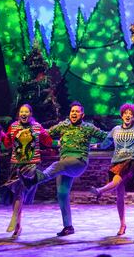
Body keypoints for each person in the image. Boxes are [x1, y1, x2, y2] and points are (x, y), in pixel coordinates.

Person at [20, 101, 110, 236]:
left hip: (78, 162)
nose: (74, 113)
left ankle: (34, 180)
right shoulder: (64, 125)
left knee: (57, 165)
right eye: (72, 111)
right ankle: (68, 226)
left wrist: (99, 145)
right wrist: (32, 130)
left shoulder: (88, 127)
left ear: (82, 114)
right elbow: (46, 135)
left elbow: (107, 136)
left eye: (77, 111)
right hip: (64, 163)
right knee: (62, 194)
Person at [91, 104, 134, 236]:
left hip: (131, 162)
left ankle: (100, 190)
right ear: (122, 115)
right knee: (120, 196)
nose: (128, 115)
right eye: (125, 113)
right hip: (116, 162)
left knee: (117, 179)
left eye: (131, 114)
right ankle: (122, 224)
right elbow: (105, 144)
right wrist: (90, 146)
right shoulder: (115, 130)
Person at [2, 104, 54, 238]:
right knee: (16, 194)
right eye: (21, 112)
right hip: (16, 164)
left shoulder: (37, 126)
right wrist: (5, 136)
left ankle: (14, 219)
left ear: (31, 114)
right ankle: (18, 225)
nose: (23, 114)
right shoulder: (13, 126)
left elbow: (48, 141)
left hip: (31, 164)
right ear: (18, 114)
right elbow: (7, 144)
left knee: (20, 191)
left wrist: (46, 134)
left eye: (26, 112)